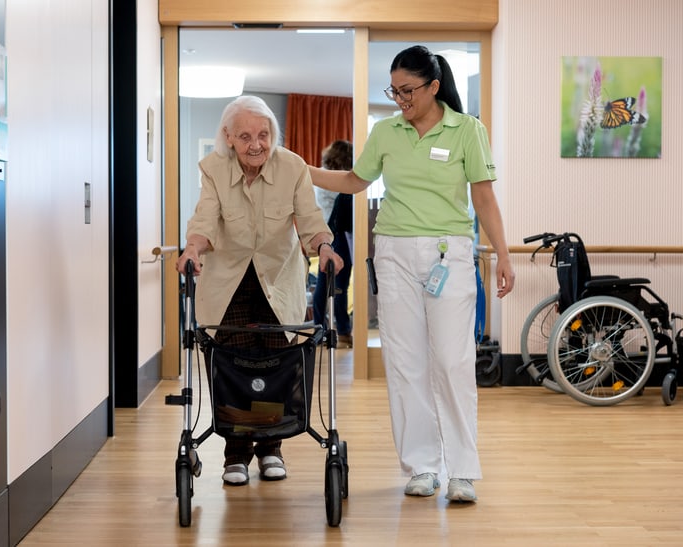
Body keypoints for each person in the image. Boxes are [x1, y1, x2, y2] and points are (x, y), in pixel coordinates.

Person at [309, 45, 515, 503]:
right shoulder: (386, 132)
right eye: (394, 90)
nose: (400, 98)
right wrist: (302, 170)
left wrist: (503, 254)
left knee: (453, 361)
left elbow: (483, 198)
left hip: (450, 253)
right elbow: (355, 182)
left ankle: (461, 469)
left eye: (408, 90)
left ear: (434, 86)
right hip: (395, 253)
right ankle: (422, 466)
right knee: (405, 364)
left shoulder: (467, 130)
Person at [176, 95, 344, 487]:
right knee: (232, 362)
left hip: (277, 279)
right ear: (228, 138)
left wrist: (324, 246)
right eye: (246, 136)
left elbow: (309, 218)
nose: (257, 144)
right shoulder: (214, 169)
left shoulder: (293, 168)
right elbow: (205, 218)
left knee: (273, 364)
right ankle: (235, 452)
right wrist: (192, 249)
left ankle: (271, 447)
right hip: (228, 281)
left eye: (264, 134)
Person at [312, 140, 354, 347]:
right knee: (339, 286)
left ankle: (319, 327)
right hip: (338, 234)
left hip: (327, 234)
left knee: (324, 283)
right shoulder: (342, 181)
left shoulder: (321, 175)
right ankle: (344, 331)